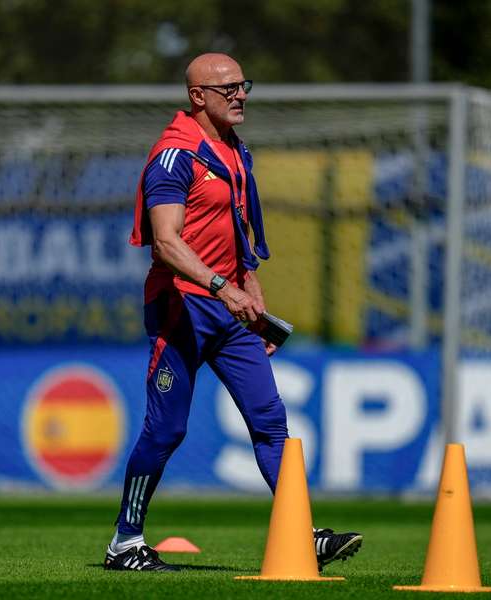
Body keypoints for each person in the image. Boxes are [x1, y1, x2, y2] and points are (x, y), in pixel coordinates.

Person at [104, 53, 362, 573]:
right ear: (197, 96)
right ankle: (124, 543)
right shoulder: (174, 156)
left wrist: (252, 289)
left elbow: (237, 229)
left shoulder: (234, 150)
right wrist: (224, 287)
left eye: (244, 85)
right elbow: (165, 243)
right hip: (182, 309)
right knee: (165, 431)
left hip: (229, 310)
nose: (241, 95)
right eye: (228, 89)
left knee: (271, 421)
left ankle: (301, 532)